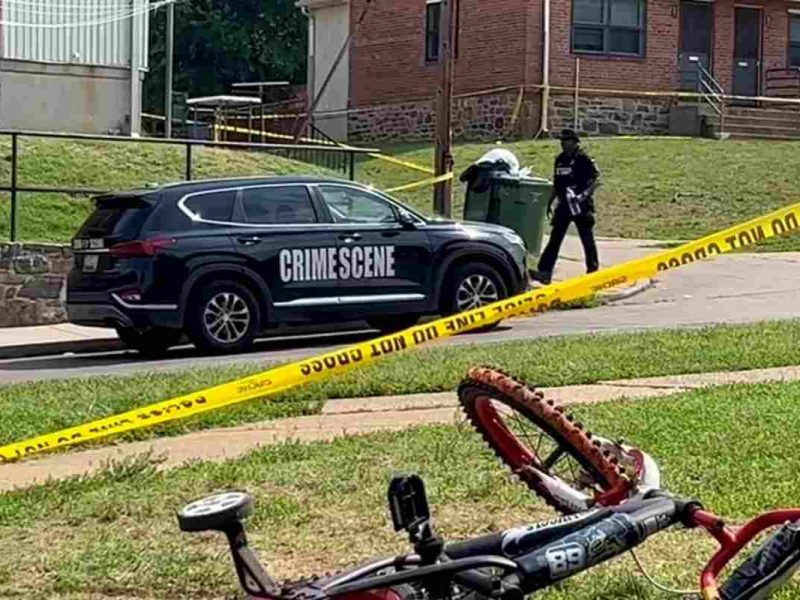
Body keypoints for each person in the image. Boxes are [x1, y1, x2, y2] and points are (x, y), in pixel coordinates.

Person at [531, 129, 601, 286]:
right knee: (555, 238)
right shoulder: (560, 160)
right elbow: (557, 184)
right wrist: (549, 202)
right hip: (564, 205)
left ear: (575, 142)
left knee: (587, 239)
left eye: (566, 140)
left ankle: (593, 273)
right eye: (562, 140)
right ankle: (545, 272)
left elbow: (595, 180)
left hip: (581, 205)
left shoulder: (583, 158)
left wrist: (583, 195)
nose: (563, 143)